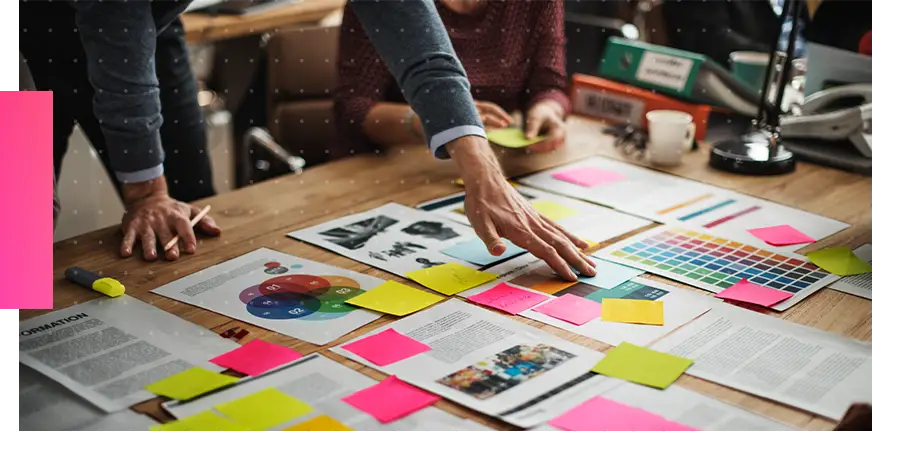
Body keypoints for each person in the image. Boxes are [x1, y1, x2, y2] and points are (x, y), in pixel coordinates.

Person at [35, 0, 596, 282]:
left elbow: (417, 41)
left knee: (197, 229)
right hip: (30, 35)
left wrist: (481, 169)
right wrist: (145, 191)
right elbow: (113, 38)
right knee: (17, 231)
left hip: (152, 26)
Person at [334, 0, 571, 156]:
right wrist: (433, 120)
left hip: (499, 162)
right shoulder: (386, 6)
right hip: (395, 165)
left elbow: (549, 84)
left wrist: (548, 108)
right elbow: (352, 110)